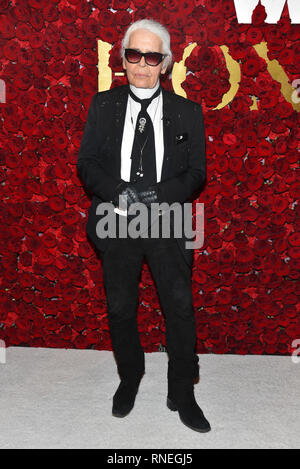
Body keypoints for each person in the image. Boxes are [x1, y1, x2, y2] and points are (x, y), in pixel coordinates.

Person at [77, 19, 210, 433]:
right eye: (134, 55)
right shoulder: (103, 105)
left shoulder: (187, 111)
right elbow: (87, 164)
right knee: (120, 308)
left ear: (165, 63)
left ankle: (182, 391)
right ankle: (130, 377)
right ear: (123, 57)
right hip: (116, 220)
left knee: (180, 308)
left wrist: (153, 196)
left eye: (152, 57)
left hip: (167, 219)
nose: (142, 65)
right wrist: (120, 192)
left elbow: (196, 174)